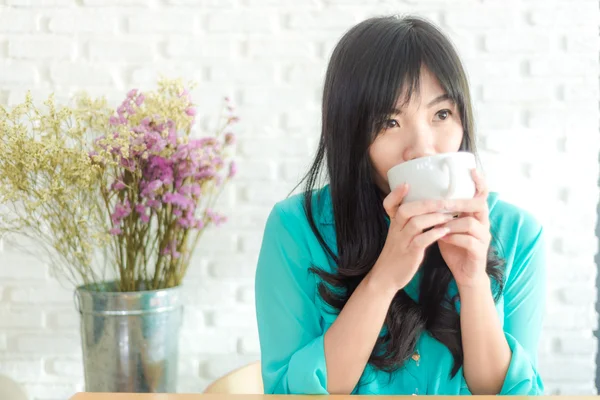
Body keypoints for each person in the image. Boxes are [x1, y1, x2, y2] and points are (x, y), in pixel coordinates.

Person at [254, 15, 546, 395]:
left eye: (441, 114)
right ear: (351, 133)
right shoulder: (295, 229)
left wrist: (473, 282)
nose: (422, 148)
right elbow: (291, 394)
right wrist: (384, 278)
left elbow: (513, 394)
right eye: (389, 122)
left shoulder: (517, 232)